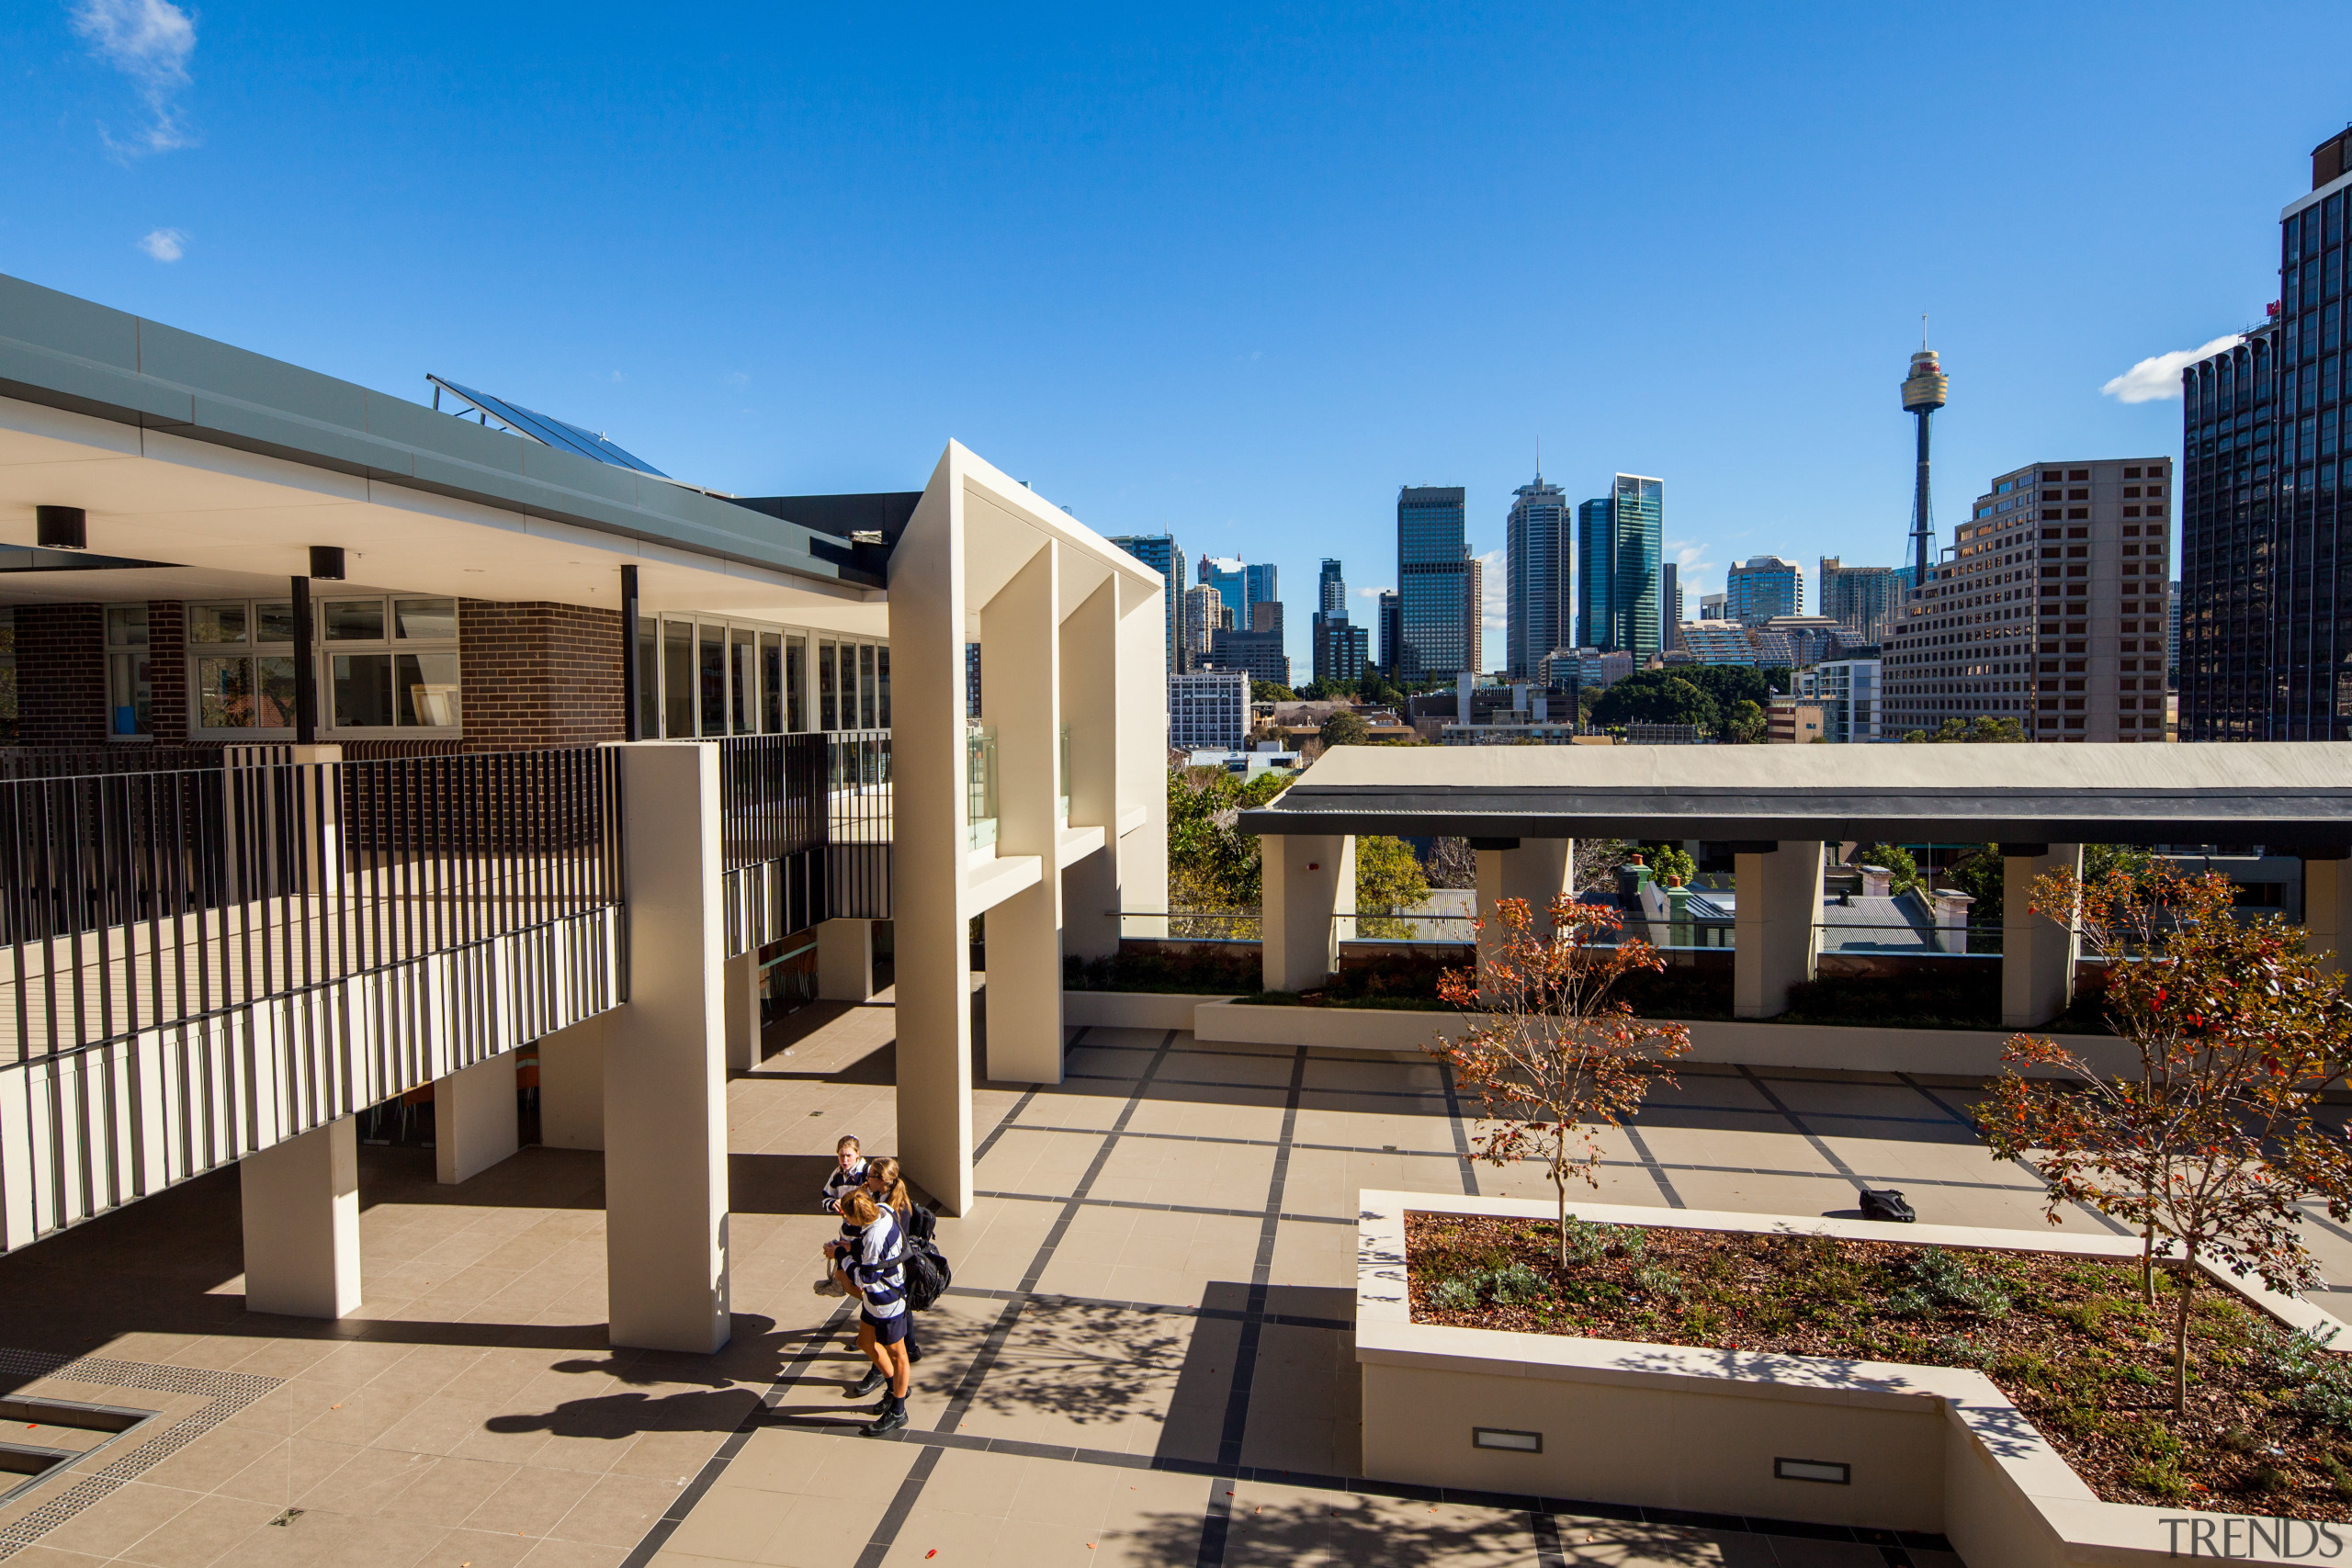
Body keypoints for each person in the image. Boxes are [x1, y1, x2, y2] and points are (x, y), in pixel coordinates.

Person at [833, 1188, 910, 1435]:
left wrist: (842, 1256)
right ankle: (893, 1387)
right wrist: (851, 1246)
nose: (846, 1221)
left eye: (848, 1217)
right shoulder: (884, 1210)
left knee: (898, 1354)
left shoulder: (874, 1237)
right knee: (866, 1342)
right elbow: (870, 1254)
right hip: (874, 1302)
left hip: (887, 1301)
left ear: (859, 1216)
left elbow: (865, 1277)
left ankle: (898, 1410)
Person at [862, 1156, 922, 1364]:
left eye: (869, 1175)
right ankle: (911, 1347)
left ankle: (905, 1349)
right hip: (895, 1266)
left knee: (900, 1308)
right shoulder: (884, 1197)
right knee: (903, 1307)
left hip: (894, 1269)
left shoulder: (895, 1208)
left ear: (880, 1179)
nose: (866, 1178)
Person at [815, 1135, 866, 1297]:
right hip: (846, 1233)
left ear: (857, 1153)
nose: (845, 1160)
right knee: (843, 1274)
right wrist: (832, 1204)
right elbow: (826, 1197)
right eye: (841, 1156)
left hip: (862, 1234)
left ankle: (870, 1307)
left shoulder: (866, 1173)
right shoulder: (837, 1174)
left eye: (848, 1155)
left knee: (855, 1277)